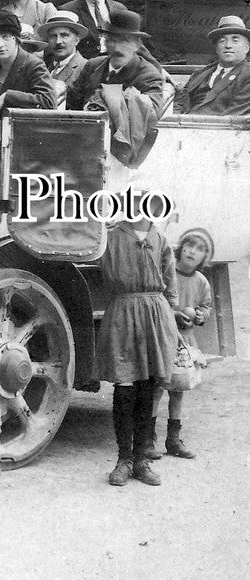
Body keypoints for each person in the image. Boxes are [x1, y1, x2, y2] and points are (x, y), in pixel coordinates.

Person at [97, 193, 178, 487]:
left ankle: (142, 460)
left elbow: (170, 285)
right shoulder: (110, 236)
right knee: (125, 385)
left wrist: (172, 323)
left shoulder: (161, 240)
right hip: (123, 313)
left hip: (156, 316)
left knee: (148, 386)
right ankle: (123, 459)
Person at [147, 228, 214, 461]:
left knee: (179, 389)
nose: (192, 252)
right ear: (181, 247)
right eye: (189, 246)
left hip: (185, 340)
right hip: (165, 336)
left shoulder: (201, 281)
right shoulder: (168, 271)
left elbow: (206, 306)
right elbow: (158, 299)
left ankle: (173, 440)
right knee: (156, 387)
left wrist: (200, 315)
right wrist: (174, 313)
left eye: (199, 249)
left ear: (205, 257)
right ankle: (148, 439)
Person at [66, 10, 166, 112]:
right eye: (112, 40)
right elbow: (71, 104)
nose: (117, 48)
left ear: (137, 44)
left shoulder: (149, 76)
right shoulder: (92, 66)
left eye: (124, 41)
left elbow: (151, 112)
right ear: (105, 42)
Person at [0, 10, 55, 128]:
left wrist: (7, 97)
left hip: (21, 133)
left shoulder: (33, 65)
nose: (0, 44)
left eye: (6, 37)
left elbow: (49, 102)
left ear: (16, 39)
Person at [174, 15, 250, 115]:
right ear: (216, 48)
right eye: (222, 41)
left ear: (246, 48)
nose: (228, 45)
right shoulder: (198, 75)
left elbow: (235, 116)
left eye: (235, 40)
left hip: (218, 128)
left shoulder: (247, 74)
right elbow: (178, 105)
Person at [39, 9, 90, 101]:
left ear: (77, 40)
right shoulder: (45, 68)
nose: (58, 41)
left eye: (64, 35)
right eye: (53, 36)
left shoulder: (85, 68)